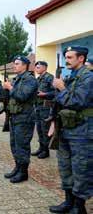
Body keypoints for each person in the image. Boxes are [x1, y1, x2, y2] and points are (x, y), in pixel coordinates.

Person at [49, 46, 92, 213]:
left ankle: (79, 207)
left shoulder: (88, 78)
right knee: (65, 167)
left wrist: (61, 88)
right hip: (65, 130)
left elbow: (77, 101)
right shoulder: (71, 76)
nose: (66, 60)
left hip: (82, 132)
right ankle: (68, 201)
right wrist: (53, 121)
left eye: (70, 57)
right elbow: (60, 103)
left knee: (81, 169)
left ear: (81, 58)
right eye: (65, 57)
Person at [3, 55, 38, 183]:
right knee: (14, 144)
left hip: (24, 117)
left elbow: (22, 96)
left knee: (22, 145)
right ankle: (17, 168)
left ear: (24, 65)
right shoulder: (17, 79)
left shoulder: (30, 80)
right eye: (14, 63)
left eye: (17, 63)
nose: (14, 66)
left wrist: (10, 88)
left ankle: (23, 172)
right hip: (15, 116)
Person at [31, 61, 54, 159]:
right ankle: (41, 148)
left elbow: (55, 92)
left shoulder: (49, 78)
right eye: (36, 67)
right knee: (39, 129)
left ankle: (46, 150)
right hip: (37, 107)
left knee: (45, 129)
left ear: (45, 67)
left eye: (39, 67)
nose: (37, 68)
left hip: (46, 107)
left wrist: (45, 94)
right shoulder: (38, 79)